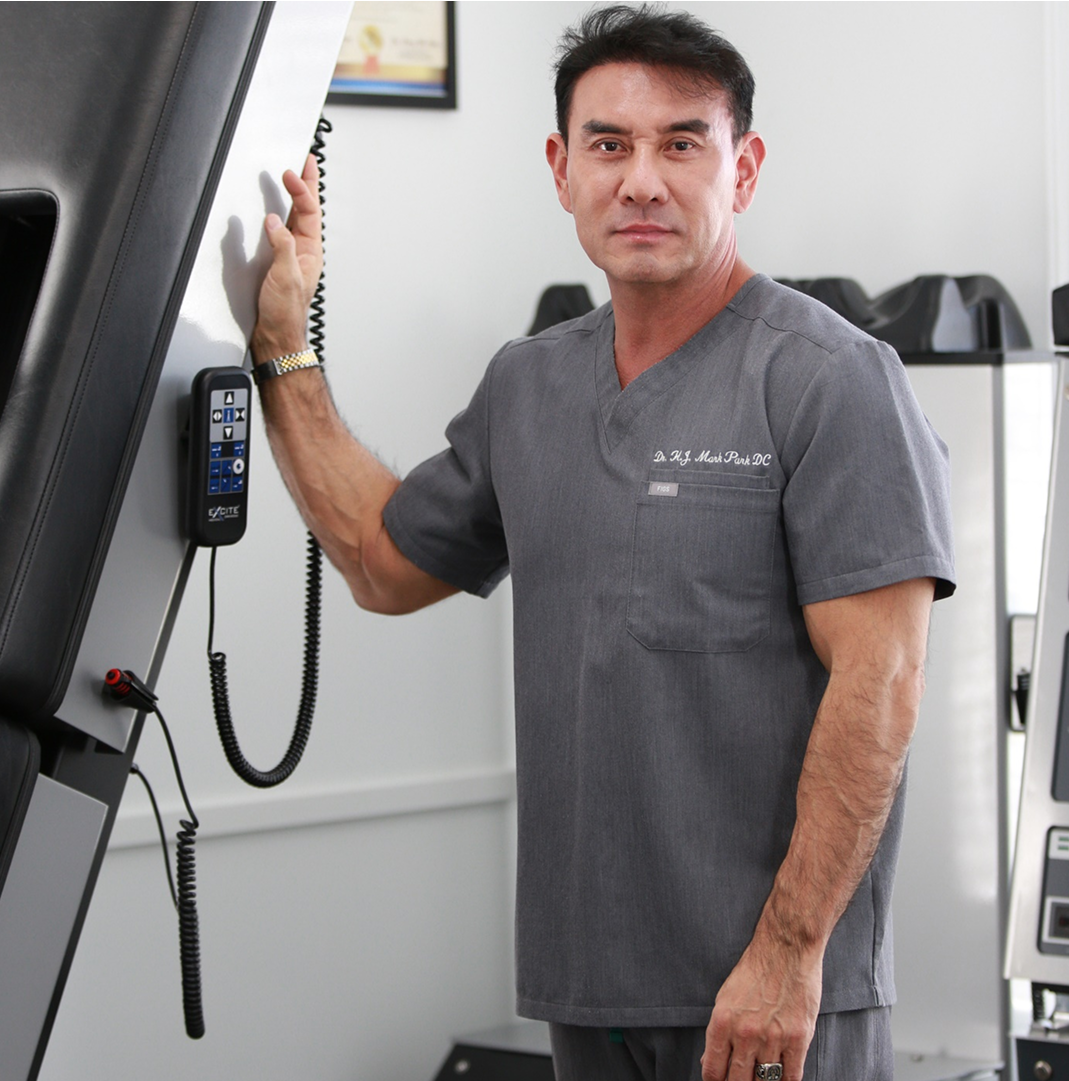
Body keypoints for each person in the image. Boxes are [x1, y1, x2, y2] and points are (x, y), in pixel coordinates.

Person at [250, 6, 954, 1080]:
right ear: (561, 168)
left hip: (770, 1000)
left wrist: (787, 952)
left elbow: (883, 681)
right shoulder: (527, 385)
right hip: (587, 991)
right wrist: (281, 348)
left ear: (742, 169)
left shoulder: (831, 380)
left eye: (682, 144)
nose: (641, 181)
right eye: (609, 144)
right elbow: (378, 562)